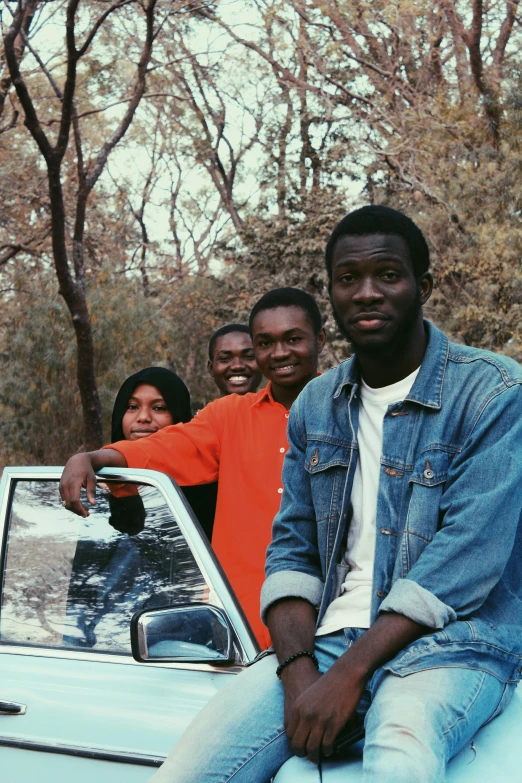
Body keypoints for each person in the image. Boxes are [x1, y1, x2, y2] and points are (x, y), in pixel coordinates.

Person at [144, 205, 522, 783]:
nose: (367, 293)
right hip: (325, 641)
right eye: (349, 279)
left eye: (387, 275)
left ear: (423, 285)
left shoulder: (492, 392)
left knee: (400, 758)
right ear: (333, 295)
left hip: (453, 645)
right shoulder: (318, 405)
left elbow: (466, 557)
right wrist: (300, 677)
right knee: (183, 774)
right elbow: (292, 551)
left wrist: (348, 675)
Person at [60, 288, 327, 647]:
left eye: (293, 339)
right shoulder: (228, 416)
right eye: (265, 343)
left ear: (320, 339)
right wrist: (92, 458)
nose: (279, 353)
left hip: (328, 629)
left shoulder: (352, 411)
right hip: (237, 632)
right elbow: (161, 449)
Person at [207, 323, 263, 396]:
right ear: (211, 368)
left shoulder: (279, 407)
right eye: (225, 358)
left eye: (249, 356)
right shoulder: (208, 408)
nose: (237, 366)